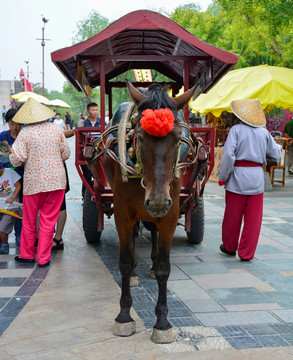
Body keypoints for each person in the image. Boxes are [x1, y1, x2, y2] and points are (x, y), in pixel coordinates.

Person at [10, 98, 70, 267]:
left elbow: (17, 160)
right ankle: (44, 258)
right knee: (48, 220)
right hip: (56, 181)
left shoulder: (25, 132)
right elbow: (66, 153)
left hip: (33, 183)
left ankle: (27, 255)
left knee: (29, 220)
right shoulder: (55, 129)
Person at [218, 99, 281, 262]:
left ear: (240, 115)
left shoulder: (236, 130)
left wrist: (223, 176)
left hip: (237, 176)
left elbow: (228, 156)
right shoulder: (264, 132)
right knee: (253, 219)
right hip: (256, 177)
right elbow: (276, 155)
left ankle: (230, 247)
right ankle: (246, 253)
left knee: (232, 215)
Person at [1, 108, 24, 246]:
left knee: (20, 208)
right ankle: (3, 236)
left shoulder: (25, 136)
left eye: (17, 123)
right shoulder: (3, 136)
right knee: (8, 207)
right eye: (11, 123)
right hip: (7, 178)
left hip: (23, 177)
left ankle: (19, 235)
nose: (14, 127)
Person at [81, 103, 100, 203]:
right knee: (87, 176)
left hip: (100, 151)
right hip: (88, 151)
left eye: (96, 110)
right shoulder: (84, 122)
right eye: (93, 110)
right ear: (88, 112)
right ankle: (85, 196)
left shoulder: (102, 122)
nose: (95, 112)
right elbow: (79, 132)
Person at [0, 167, 21, 254]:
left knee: (2, 229)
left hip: (10, 207)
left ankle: (4, 246)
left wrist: (12, 197)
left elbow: (18, 185)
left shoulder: (9, 172)